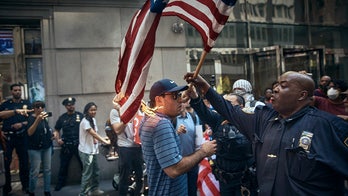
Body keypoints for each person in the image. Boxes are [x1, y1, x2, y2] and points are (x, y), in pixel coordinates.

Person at [184, 71, 348, 195]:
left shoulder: (329, 127)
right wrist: (205, 87)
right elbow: (228, 110)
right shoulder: (262, 119)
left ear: (302, 95)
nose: (275, 89)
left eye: (283, 86)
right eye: (276, 84)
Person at [139, 78, 217, 196]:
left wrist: (185, 99)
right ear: (159, 100)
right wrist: (204, 152)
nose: (180, 100)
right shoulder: (161, 124)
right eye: (175, 96)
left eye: (179, 95)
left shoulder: (150, 119)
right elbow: (174, 169)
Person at [192, 92, 256, 196]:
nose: (223, 106)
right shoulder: (217, 119)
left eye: (228, 103)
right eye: (222, 102)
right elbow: (202, 110)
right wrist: (195, 96)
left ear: (241, 106)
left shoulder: (250, 121)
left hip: (245, 181)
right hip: (225, 181)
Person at [0, 83, 31, 195]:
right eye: (15, 90)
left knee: (24, 162)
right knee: (6, 163)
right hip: (8, 137)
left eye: (19, 90)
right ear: (11, 92)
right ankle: (7, 188)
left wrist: (22, 123)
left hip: (22, 136)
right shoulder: (5, 104)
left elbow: (32, 120)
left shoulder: (27, 104)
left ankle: (25, 186)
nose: (17, 92)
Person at [78, 102, 110, 196]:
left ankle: (94, 189)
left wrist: (104, 139)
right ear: (86, 111)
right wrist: (105, 141)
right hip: (86, 151)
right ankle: (83, 193)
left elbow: (95, 134)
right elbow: (94, 134)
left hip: (93, 150)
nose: (93, 112)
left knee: (95, 171)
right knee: (87, 173)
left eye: (95, 110)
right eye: (91, 110)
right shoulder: (85, 122)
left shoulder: (93, 120)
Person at [109, 107, 143, 196]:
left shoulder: (139, 107)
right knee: (124, 177)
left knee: (140, 176)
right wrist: (128, 117)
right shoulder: (116, 111)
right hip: (125, 147)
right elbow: (117, 129)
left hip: (138, 146)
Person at [53, 97, 83, 191]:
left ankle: (87, 183)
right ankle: (60, 184)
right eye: (69, 105)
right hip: (67, 145)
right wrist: (58, 139)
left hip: (79, 145)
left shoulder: (80, 116)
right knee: (63, 166)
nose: (71, 106)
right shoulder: (62, 118)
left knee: (84, 165)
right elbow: (56, 130)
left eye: (72, 104)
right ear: (66, 106)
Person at [174, 100, 201, 196]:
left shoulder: (193, 117)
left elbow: (198, 139)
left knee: (192, 190)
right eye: (178, 101)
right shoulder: (171, 120)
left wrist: (199, 157)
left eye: (183, 101)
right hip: (178, 163)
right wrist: (177, 132)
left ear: (187, 103)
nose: (180, 103)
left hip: (192, 162)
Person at [26, 101, 53, 196]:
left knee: (47, 169)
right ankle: (31, 191)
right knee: (35, 171)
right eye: (38, 107)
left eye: (42, 106)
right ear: (34, 108)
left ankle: (47, 191)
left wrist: (52, 135)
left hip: (46, 147)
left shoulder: (44, 118)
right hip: (34, 148)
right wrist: (37, 120)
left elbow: (46, 130)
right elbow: (29, 132)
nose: (40, 108)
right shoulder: (31, 119)